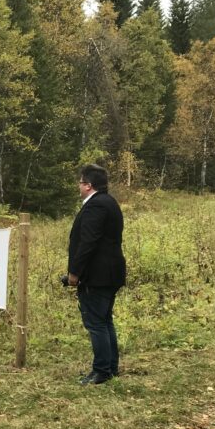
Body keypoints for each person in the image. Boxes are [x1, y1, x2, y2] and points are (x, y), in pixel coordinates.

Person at [67, 164, 126, 386]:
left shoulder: (95, 206)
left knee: (96, 323)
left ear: (88, 185)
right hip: (109, 273)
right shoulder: (109, 202)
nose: (79, 186)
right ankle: (110, 368)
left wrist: (74, 272)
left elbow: (88, 242)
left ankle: (101, 371)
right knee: (104, 320)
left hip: (98, 275)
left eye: (80, 182)